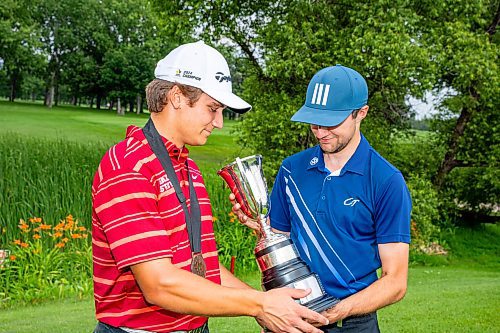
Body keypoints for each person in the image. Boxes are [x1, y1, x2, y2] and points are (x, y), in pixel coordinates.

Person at [91, 41, 329, 333]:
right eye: (213, 108)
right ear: (177, 97)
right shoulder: (129, 167)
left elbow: (201, 266)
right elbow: (159, 285)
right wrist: (258, 304)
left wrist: (267, 304)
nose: (218, 122)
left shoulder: (187, 167)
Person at [231, 65, 411, 332]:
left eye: (332, 122)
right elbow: (279, 242)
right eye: (315, 120)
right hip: (292, 318)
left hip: (352, 323)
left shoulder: (385, 180)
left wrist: (335, 312)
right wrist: (261, 226)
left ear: (361, 113)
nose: (320, 131)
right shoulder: (291, 169)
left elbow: (395, 281)